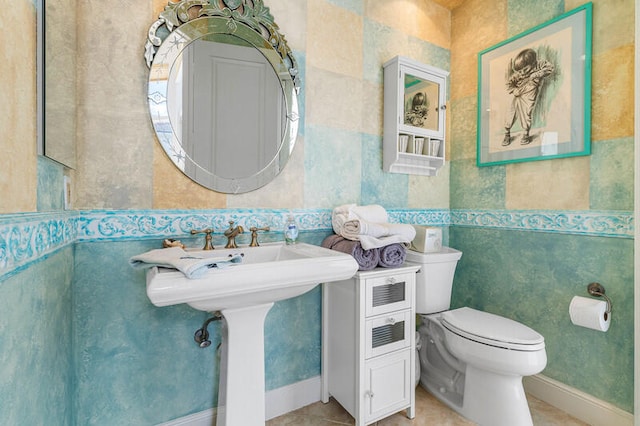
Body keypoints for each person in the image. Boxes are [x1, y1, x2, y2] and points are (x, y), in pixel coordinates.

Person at [503, 48, 554, 146]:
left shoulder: (538, 64)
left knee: (527, 112)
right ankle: (507, 133)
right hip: (518, 93)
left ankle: (526, 134)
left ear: (533, 63)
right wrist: (514, 90)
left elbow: (550, 67)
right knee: (511, 112)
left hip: (530, 93)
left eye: (524, 69)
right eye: (520, 71)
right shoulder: (518, 74)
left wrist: (537, 74)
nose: (522, 72)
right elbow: (509, 84)